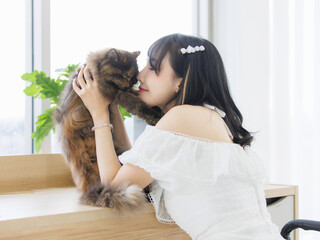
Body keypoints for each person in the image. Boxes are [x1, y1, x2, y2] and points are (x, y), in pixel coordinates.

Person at [73, 33, 283, 239]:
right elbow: (137, 166)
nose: (140, 75)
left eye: (153, 68)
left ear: (181, 81)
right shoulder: (210, 118)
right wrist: (111, 107)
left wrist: (98, 113)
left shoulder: (182, 118)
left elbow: (113, 188)